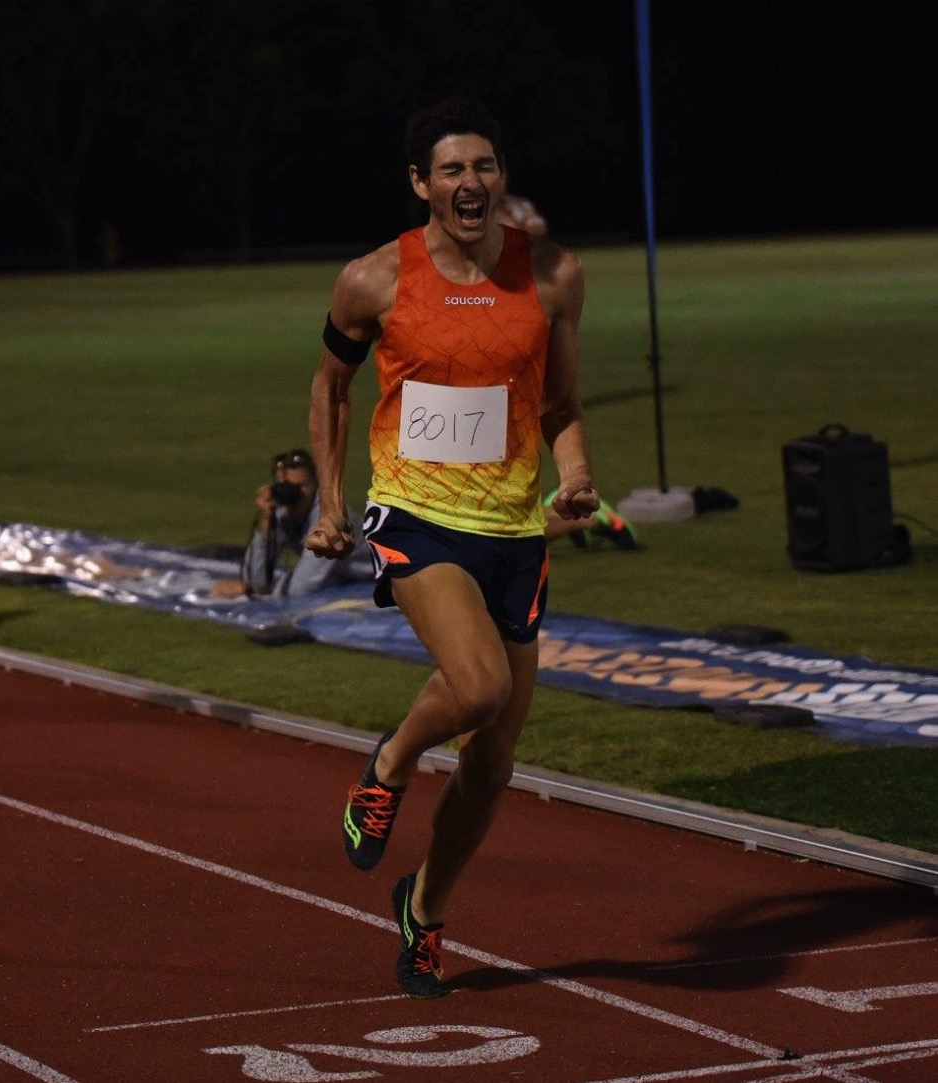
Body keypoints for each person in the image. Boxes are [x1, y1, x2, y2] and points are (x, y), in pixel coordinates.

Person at [305, 97, 602, 999]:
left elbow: (557, 405)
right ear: (419, 184)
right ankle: (390, 762)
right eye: (451, 170)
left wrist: (576, 472)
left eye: (484, 166)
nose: (469, 183)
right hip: (415, 514)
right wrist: (330, 498)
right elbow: (330, 388)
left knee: (494, 757)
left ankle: (423, 911)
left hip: (513, 525)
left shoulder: (551, 277)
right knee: (479, 685)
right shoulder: (373, 280)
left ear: (501, 177)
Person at [239, 448, 373, 598]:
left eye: (301, 487)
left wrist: (272, 589)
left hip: (385, 576)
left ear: (317, 486)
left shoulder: (331, 519)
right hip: (345, 578)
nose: (294, 494)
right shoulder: (281, 514)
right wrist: (264, 525)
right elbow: (257, 582)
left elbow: (301, 588)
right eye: (287, 488)